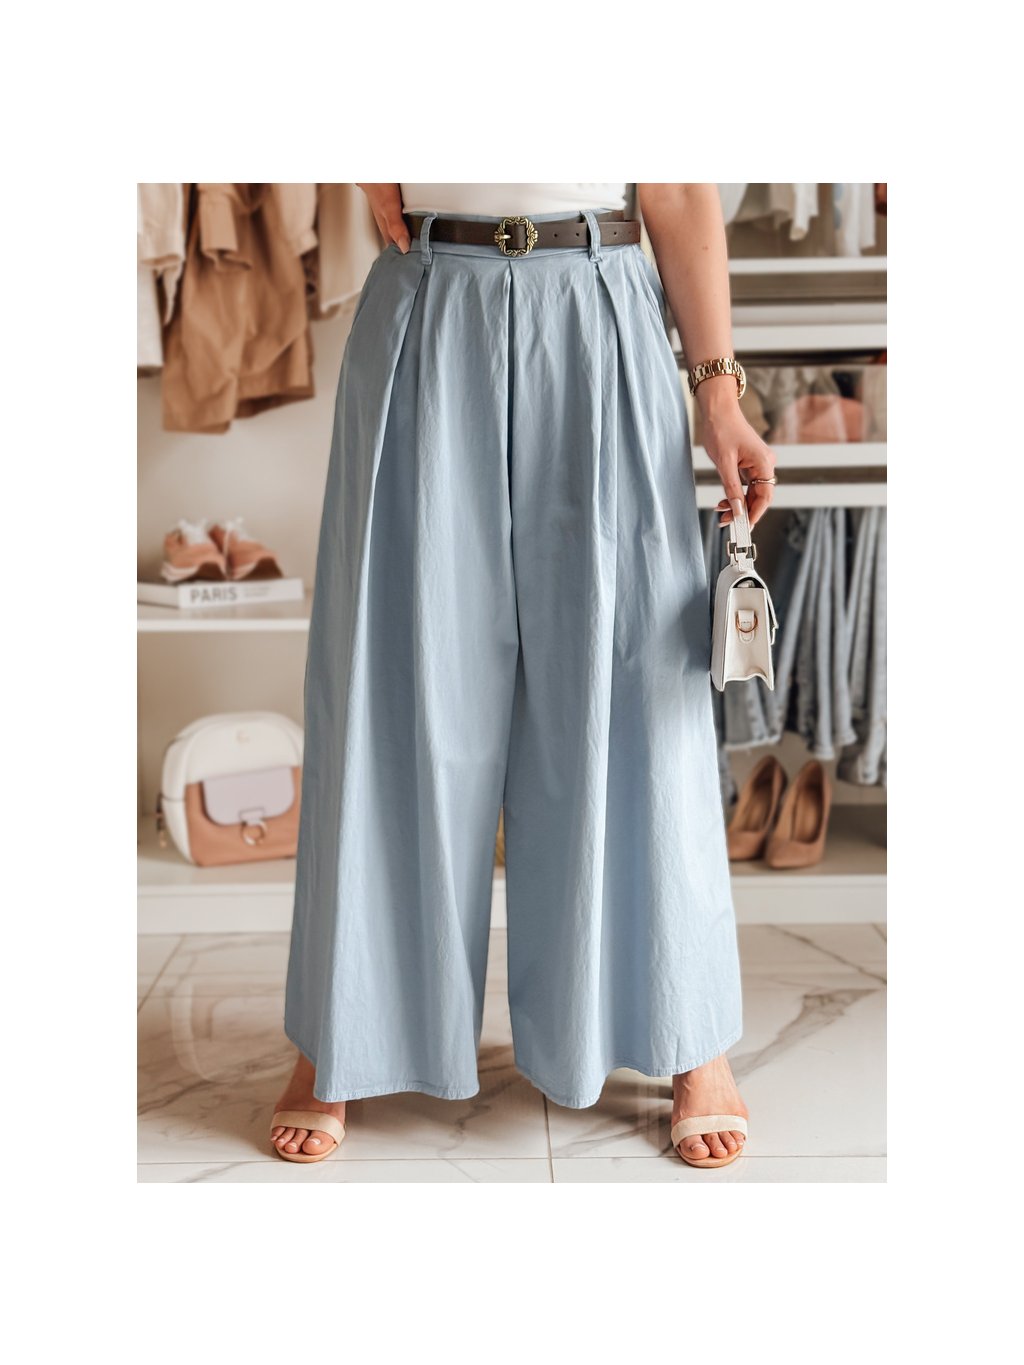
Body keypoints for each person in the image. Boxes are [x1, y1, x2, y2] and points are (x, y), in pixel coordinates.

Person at [270, 183, 776, 1170]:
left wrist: (719, 392)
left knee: (635, 687)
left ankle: (686, 1032)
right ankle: (342, 1031)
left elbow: (677, 184)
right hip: (427, 298)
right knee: (390, 686)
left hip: (600, 303)